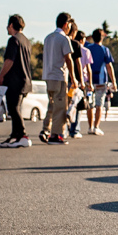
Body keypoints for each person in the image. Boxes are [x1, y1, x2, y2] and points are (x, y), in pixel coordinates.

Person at [39, 12, 77, 144]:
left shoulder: (48, 38)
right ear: (66, 24)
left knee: (52, 105)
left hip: (48, 76)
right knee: (60, 107)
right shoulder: (64, 39)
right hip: (59, 76)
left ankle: (46, 129)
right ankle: (56, 135)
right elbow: (68, 59)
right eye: (69, 26)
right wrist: (73, 77)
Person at [0, 14, 32, 148]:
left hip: (15, 80)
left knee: (14, 108)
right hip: (25, 80)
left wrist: (1, 76)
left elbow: (9, 61)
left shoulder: (13, 40)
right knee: (15, 108)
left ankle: (23, 135)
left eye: (8, 25)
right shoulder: (27, 41)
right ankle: (15, 136)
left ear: (11, 25)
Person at [86, 28, 117, 136]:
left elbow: (81, 40)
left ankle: (90, 127)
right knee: (99, 105)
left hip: (88, 81)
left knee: (90, 104)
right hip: (101, 81)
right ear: (102, 38)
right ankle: (96, 127)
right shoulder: (105, 50)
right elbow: (109, 66)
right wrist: (114, 82)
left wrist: (88, 38)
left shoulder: (87, 47)